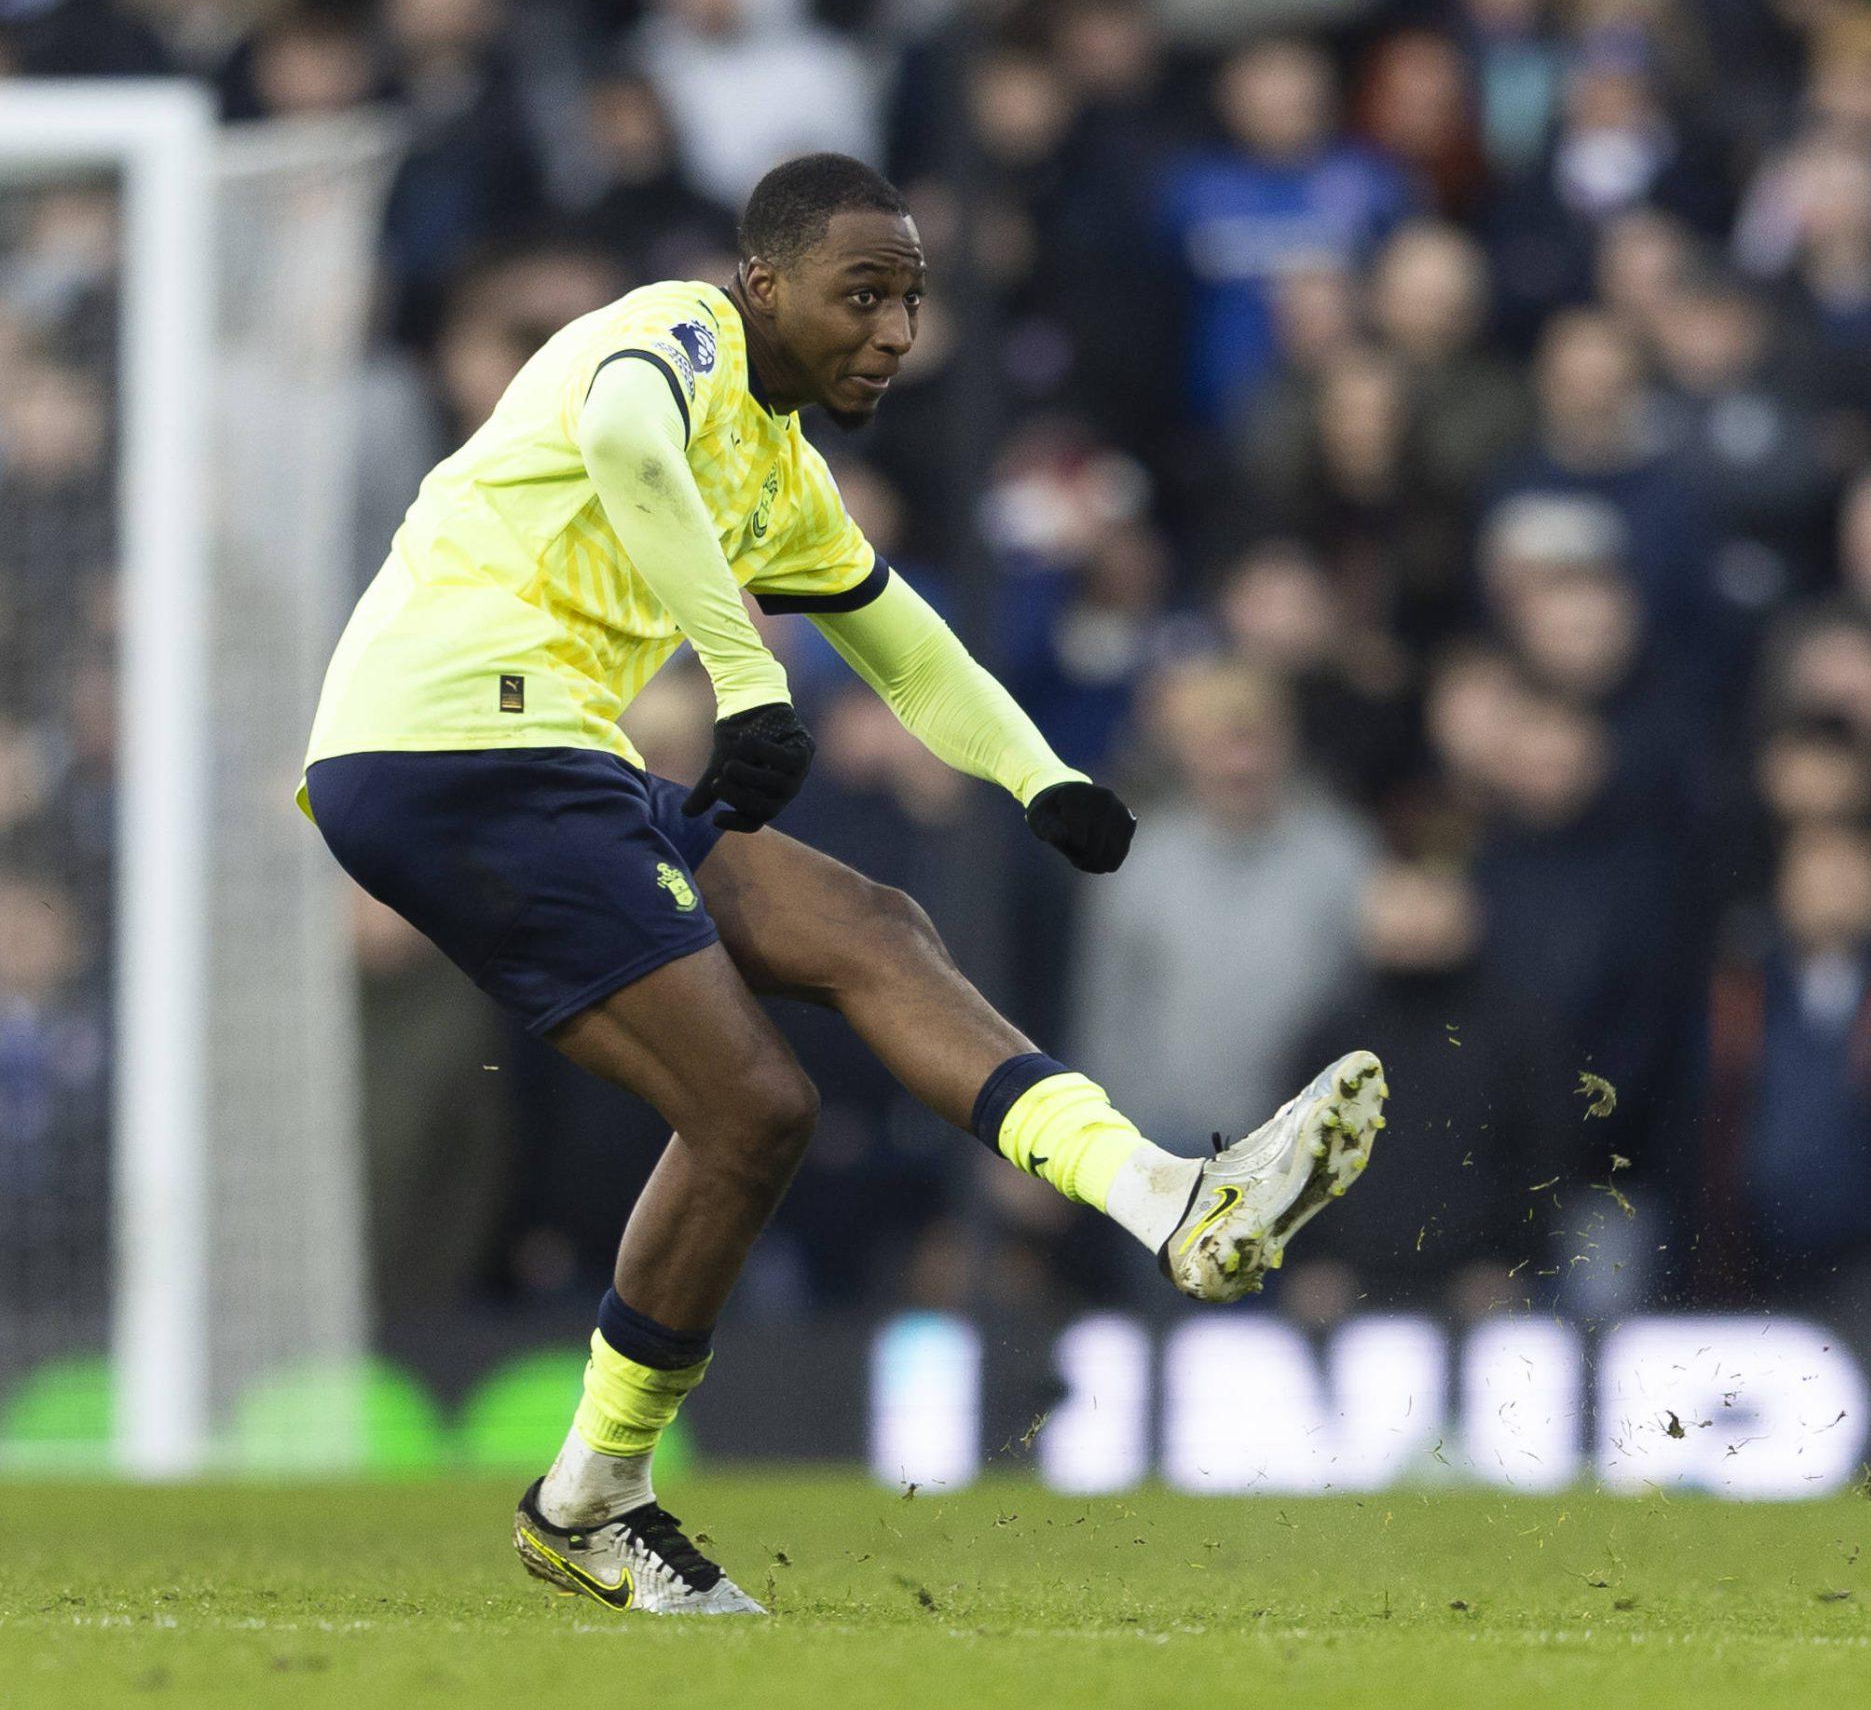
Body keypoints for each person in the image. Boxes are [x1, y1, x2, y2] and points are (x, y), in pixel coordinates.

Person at [297, 155, 1388, 1613]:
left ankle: (1169, 1200)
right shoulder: (669, 338)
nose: (891, 330)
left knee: (877, 929)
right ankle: (591, 1499)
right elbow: (625, 445)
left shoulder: (787, 480)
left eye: (911, 302)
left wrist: (1041, 778)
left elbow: (911, 649)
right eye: (860, 293)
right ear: (764, 285)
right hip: (453, 738)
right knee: (753, 1108)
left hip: (544, 752)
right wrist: (746, 687)